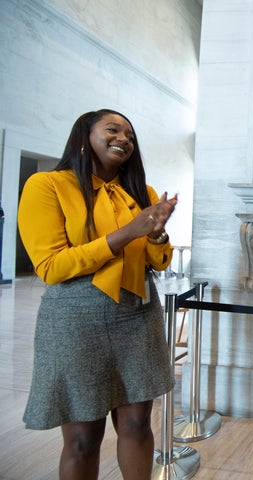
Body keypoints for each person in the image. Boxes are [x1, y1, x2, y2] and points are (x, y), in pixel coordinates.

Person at [17, 109, 177, 479]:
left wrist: (156, 234)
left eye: (130, 135)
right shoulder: (47, 185)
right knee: (83, 437)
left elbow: (158, 261)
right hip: (75, 317)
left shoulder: (142, 193)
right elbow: (51, 266)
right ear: (84, 135)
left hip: (137, 312)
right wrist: (129, 231)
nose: (124, 138)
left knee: (138, 423)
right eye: (113, 129)